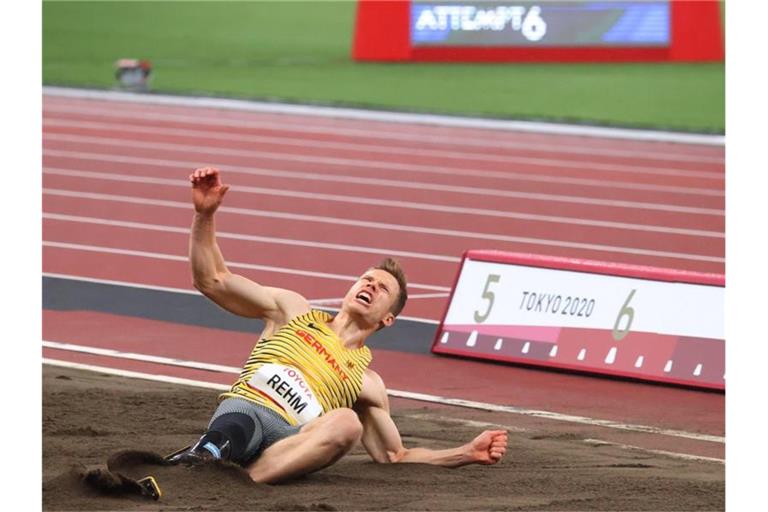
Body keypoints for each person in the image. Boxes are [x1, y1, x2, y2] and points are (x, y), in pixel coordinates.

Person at [168, 167, 509, 483]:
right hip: (248, 408)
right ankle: (207, 453)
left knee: (347, 422)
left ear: (387, 318)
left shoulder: (367, 382)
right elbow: (212, 280)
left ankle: (237, 483)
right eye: (366, 280)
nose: (370, 286)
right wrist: (205, 215)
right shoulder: (294, 311)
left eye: (382, 288)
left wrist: (466, 452)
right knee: (237, 427)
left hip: (289, 442)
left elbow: (393, 455)